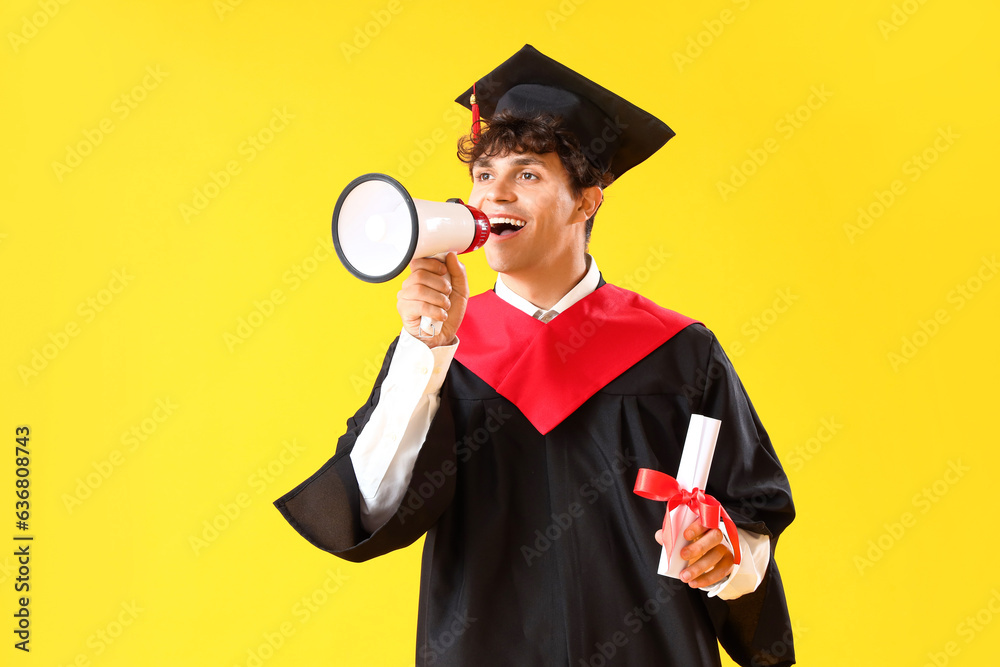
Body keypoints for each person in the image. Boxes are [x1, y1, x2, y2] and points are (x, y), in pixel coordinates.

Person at [275, 44, 795, 666]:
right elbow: (367, 506)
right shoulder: (439, 355)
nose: (494, 197)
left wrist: (724, 556)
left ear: (586, 200)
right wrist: (425, 347)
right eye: (484, 176)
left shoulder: (679, 352)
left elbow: (752, 527)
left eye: (527, 175)